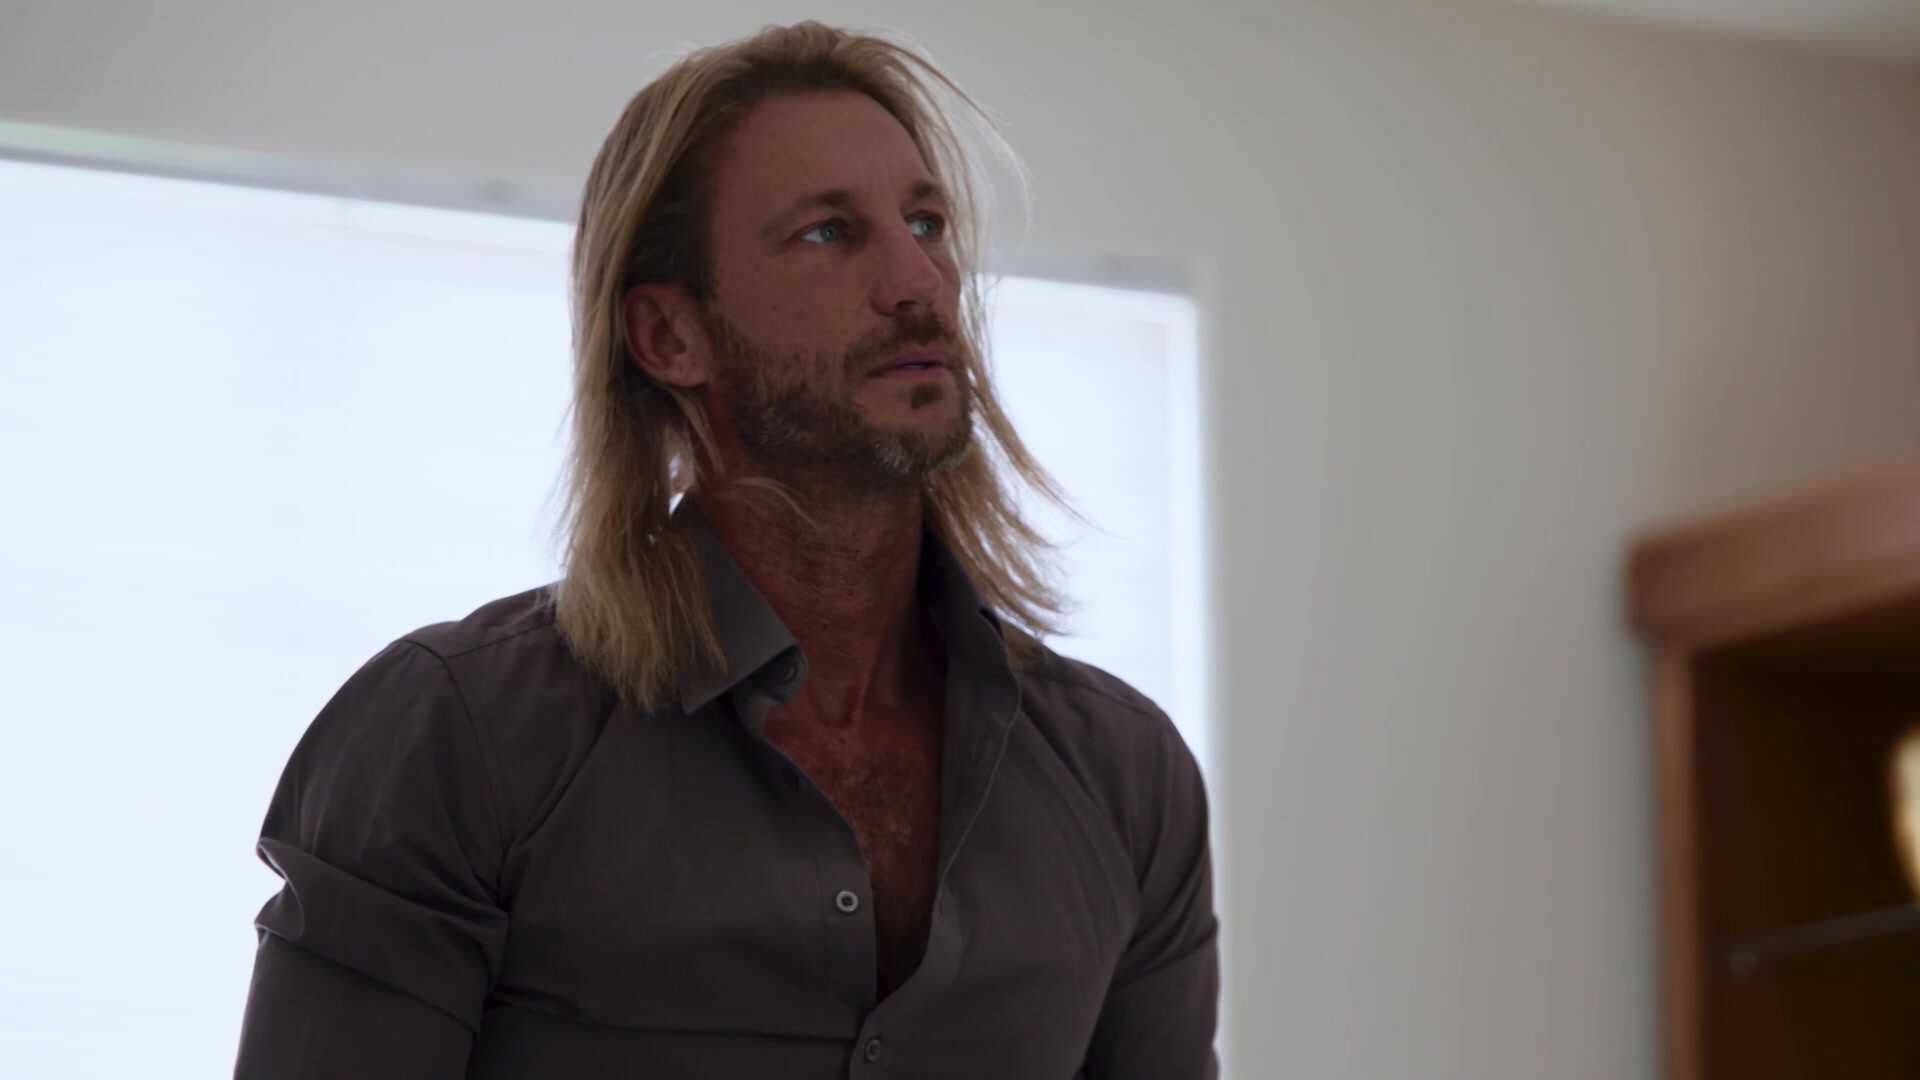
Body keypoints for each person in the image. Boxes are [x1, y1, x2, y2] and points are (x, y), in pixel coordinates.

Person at [233, 21, 1218, 1080]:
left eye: (926, 222)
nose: (918, 281)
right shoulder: (460, 736)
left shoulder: (1125, 778)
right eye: (829, 233)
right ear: (670, 337)